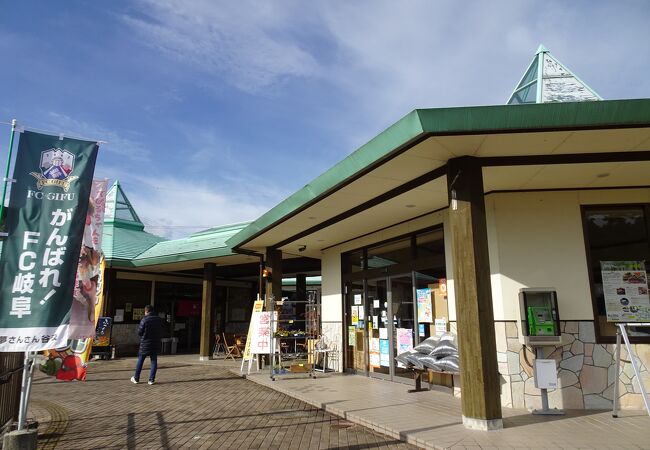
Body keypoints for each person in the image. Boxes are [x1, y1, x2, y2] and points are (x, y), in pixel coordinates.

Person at [131, 305, 163, 385]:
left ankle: (136, 378)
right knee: (154, 361)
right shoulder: (159, 320)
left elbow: (139, 332)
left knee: (140, 360)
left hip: (145, 343)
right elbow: (162, 331)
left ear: (146, 311)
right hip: (155, 343)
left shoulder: (144, 320)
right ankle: (151, 380)